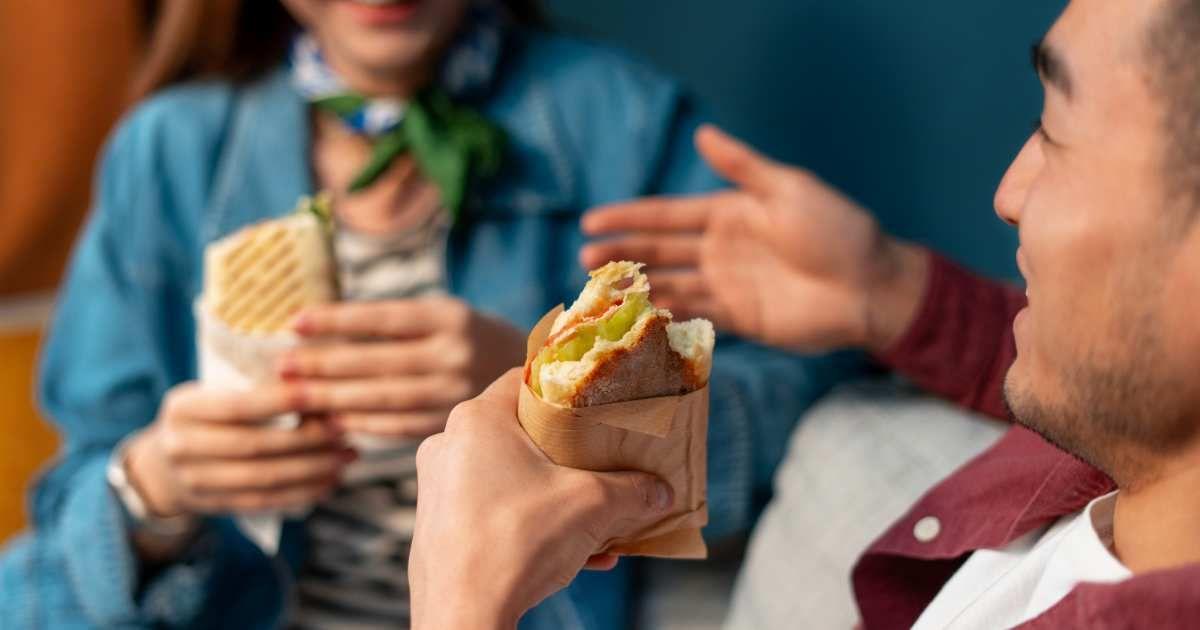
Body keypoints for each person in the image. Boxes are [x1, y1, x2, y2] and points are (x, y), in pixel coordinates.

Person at [0, 1, 858, 628]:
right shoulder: (168, 153)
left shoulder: (621, 122)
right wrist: (153, 487)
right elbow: (76, 497)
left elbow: (804, 400)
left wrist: (547, 395)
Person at [410, 0, 1200, 626]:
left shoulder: (620, 112)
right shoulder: (1119, 421)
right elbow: (1123, 355)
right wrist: (888, 290)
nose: (1007, 194)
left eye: (1056, 133)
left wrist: (460, 599)